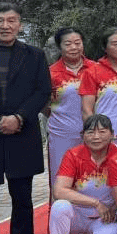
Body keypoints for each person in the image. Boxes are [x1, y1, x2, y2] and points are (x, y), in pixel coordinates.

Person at [0, 2, 52, 234]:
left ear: (20, 24)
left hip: (22, 133)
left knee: (23, 198)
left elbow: (42, 91)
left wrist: (19, 117)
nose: (6, 26)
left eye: (11, 20)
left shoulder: (34, 55)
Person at [43, 114, 117, 234]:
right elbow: (59, 190)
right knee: (59, 206)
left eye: (102, 132)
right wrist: (95, 203)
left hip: (105, 216)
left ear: (112, 134)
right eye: (91, 132)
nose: (96, 137)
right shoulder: (73, 155)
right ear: (83, 136)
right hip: (78, 215)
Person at [45, 27, 95, 191]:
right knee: (61, 180)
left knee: (92, 179)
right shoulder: (50, 73)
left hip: (94, 133)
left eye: (77, 43)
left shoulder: (95, 69)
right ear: (60, 47)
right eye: (68, 44)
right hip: (62, 135)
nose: (74, 47)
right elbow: (43, 104)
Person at [80, 28, 117, 142]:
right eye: (115, 44)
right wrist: (97, 133)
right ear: (105, 48)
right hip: (106, 134)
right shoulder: (92, 72)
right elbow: (87, 110)